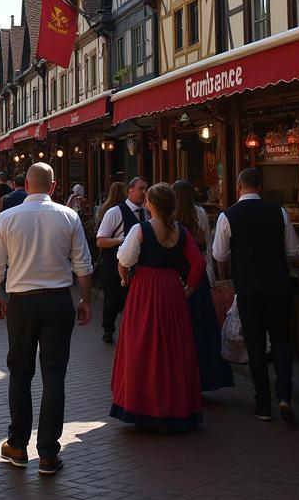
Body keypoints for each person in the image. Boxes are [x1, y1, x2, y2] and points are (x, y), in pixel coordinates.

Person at [0, 163, 92, 476]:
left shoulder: (8, 217)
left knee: (20, 373)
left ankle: (17, 444)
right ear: (54, 186)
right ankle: (48, 452)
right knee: (54, 375)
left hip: (22, 302)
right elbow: (83, 264)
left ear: (27, 185)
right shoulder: (68, 216)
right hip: (58, 300)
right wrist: (84, 299)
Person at [110, 182, 204, 432]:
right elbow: (198, 263)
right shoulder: (181, 232)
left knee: (142, 345)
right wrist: (189, 289)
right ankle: (175, 406)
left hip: (145, 289)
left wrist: (123, 278)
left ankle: (144, 407)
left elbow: (124, 259)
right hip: (172, 289)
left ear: (151, 204)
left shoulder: (141, 229)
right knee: (174, 348)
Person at [212, 167, 299, 423]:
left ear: (239, 186)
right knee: (282, 342)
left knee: (256, 345)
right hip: (278, 286)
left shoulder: (227, 216)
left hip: (248, 288)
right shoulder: (279, 212)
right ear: (260, 188)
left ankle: (263, 404)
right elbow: (292, 249)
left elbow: (219, 254)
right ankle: (284, 395)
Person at [174, 179, 233, 392]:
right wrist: (210, 275)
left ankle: (182, 379)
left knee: (181, 330)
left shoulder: (170, 216)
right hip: (198, 276)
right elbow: (207, 245)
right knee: (201, 328)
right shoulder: (199, 213)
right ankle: (204, 378)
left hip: (178, 276)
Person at [95, 176, 149, 344]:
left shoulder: (147, 212)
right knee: (113, 298)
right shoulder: (115, 212)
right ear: (130, 191)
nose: (144, 192)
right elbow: (100, 240)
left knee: (134, 300)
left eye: (146, 188)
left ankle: (133, 332)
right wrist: (122, 240)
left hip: (139, 264)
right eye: (141, 188)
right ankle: (108, 329)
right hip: (114, 263)